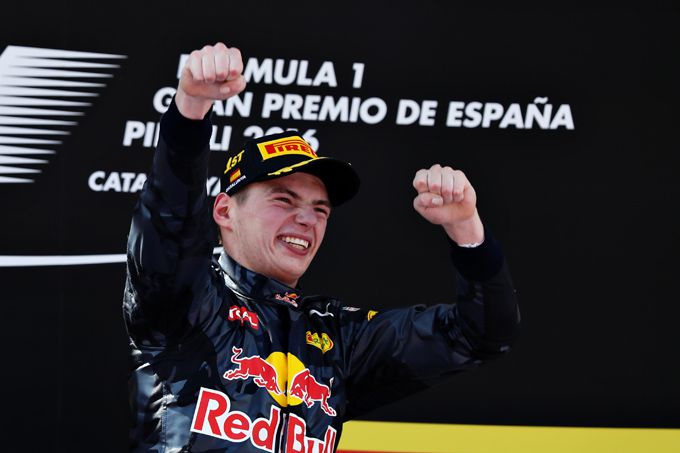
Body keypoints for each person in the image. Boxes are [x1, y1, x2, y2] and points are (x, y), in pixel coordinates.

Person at [123, 42, 520, 453]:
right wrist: (191, 109)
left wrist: (465, 227)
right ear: (224, 210)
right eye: (284, 200)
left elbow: (483, 334)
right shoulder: (184, 303)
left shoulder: (338, 337)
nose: (306, 219)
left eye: (320, 209)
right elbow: (170, 223)